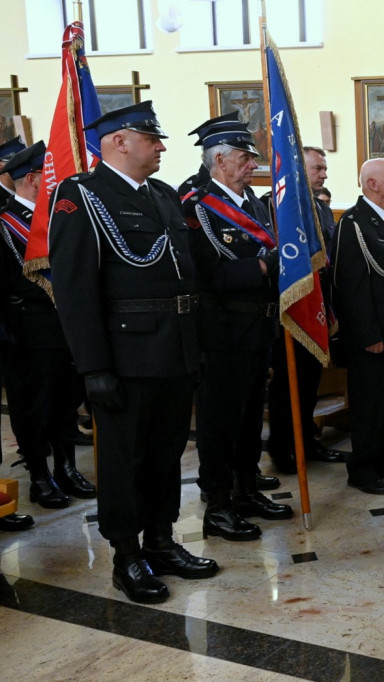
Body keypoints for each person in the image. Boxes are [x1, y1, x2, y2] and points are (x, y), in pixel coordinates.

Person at [48, 101, 217, 604]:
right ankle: (127, 555)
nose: (162, 147)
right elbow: (76, 290)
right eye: (152, 137)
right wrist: (93, 366)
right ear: (119, 141)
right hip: (125, 355)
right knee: (124, 459)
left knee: (167, 454)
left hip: (175, 349)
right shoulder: (81, 197)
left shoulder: (163, 196)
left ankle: (161, 540)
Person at [182, 113, 292, 542]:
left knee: (249, 420)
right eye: (246, 157)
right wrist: (264, 264)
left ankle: (247, 489)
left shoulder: (253, 204)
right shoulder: (196, 205)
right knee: (220, 424)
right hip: (221, 334)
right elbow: (206, 273)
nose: (253, 164)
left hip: (257, 331)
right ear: (220, 159)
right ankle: (219, 504)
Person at [1, 141, 96, 510]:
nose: (56, 182)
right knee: (34, 407)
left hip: (66, 328)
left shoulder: (57, 218)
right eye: (49, 176)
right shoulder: (6, 224)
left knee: (66, 402)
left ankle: (67, 468)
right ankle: (40, 475)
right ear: (31, 179)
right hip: (29, 333)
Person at [329, 158, 384, 495]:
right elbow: (350, 287)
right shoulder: (353, 224)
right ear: (372, 184)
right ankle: (363, 468)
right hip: (373, 336)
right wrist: (369, 335)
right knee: (371, 405)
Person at [265, 146, 344, 475]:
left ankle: (308, 440)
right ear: (297, 169)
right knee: (287, 385)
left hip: (318, 306)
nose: (324, 174)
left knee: (311, 382)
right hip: (289, 311)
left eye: (324, 168)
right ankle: (284, 448)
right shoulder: (275, 204)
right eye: (317, 168)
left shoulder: (322, 210)